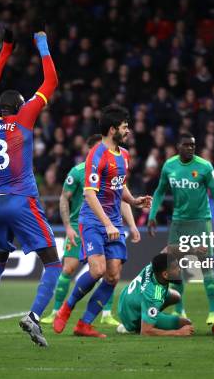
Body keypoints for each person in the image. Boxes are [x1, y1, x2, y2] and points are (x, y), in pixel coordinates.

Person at [0, 25, 59, 347]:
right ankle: (34, 316)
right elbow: (51, 82)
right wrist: (42, 43)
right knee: (53, 263)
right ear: (21, 106)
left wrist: (6, 49)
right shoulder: (24, 118)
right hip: (23, 200)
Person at [53, 104, 152, 338]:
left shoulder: (124, 155)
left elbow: (119, 187)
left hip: (113, 222)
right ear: (111, 129)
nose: (128, 131)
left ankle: (84, 324)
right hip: (93, 221)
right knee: (97, 270)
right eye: (124, 127)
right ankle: (66, 309)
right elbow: (89, 193)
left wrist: (134, 201)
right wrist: (107, 223)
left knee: (113, 275)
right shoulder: (96, 155)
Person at [41, 134, 138, 326]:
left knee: (112, 272)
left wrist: (133, 222)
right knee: (70, 268)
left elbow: (120, 195)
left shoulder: (118, 162)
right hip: (84, 224)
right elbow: (64, 198)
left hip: (111, 223)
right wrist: (68, 226)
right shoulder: (77, 172)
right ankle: (57, 311)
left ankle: (103, 314)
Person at [147, 132, 214, 325]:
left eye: (193, 145)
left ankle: (212, 312)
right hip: (179, 223)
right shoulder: (169, 166)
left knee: (206, 265)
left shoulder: (205, 167)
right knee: (174, 268)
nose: (190, 148)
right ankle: (180, 309)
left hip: (201, 222)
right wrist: (152, 215)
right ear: (178, 146)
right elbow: (159, 192)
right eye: (186, 145)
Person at [116, 253, 194, 336]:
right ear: (165, 274)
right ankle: (137, 324)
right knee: (186, 323)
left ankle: (150, 316)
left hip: (126, 300)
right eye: (175, 268)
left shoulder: (154, 266)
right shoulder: (154, 296)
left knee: (176, 296)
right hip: (132, 317)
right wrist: (178, 332)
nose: (179, 270)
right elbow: (145, 332)